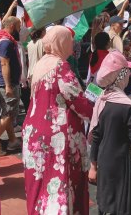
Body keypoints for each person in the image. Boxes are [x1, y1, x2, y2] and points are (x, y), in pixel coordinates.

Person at [23, 26, 93, 215]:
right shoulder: (60, 66)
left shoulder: (41, 64)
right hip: (56, 135)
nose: (72, 43)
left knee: (40, 183)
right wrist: (96, 112)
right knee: (59, 182)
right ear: (60, 42)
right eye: (69, 40)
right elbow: (77, 100)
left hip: (34, 132)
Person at [88, 50, 131, 215]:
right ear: (121, 76)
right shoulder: (127, 106)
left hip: (104, 161)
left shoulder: (102, 100)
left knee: (106, 204)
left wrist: (93, 166)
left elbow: (96, 136)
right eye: (127, 72)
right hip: (121, 163)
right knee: (122, 205)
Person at [0, 16, 22, 153]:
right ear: (11, 27)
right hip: (7, 84)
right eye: (18, 27)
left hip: (4, 83)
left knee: (7, 113)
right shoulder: (6, 42)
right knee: (8, 115)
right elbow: (4, 64)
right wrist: (8, 85)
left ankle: (12, 141)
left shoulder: (2, 39)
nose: (19, 30)